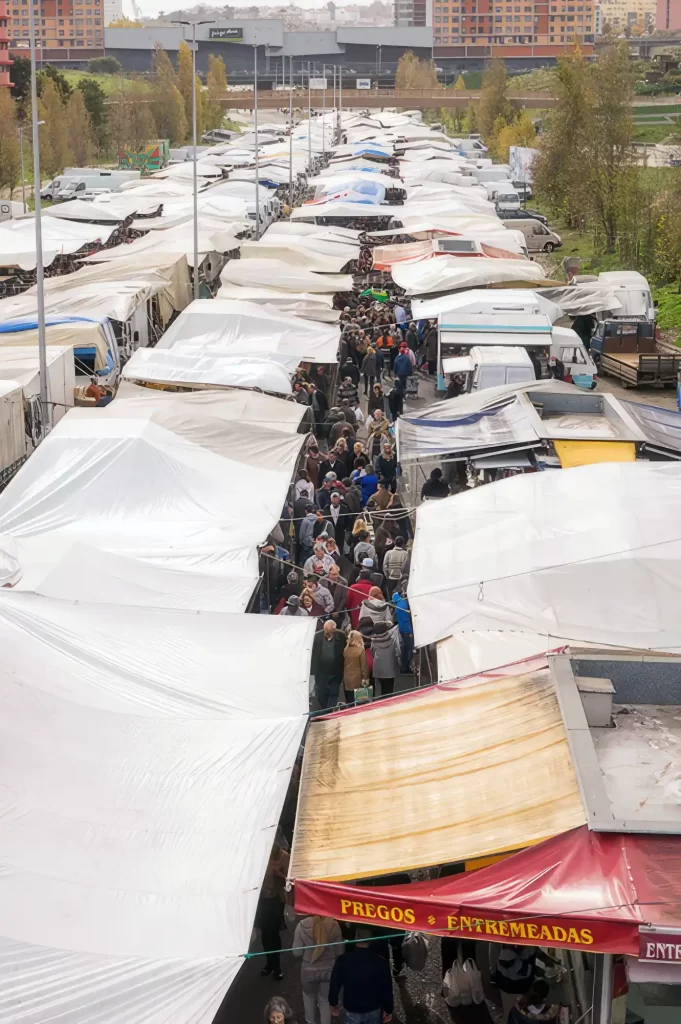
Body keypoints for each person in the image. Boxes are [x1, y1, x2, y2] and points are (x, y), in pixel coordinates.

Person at [328, 926, 393, 1024]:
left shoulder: (343, 960)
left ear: (355, 938)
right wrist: (388, 1010)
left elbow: (335, 984)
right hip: (374, 1008)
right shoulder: (380, 962)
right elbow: (387, 988)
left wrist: (333, 1004)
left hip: (351, 1008)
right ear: (370, 940)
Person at [293, 915, 344, 1024]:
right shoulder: (334, 925)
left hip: (308, 969)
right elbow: (340, 952)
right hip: (328, 969)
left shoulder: (301, 925)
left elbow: (296, 952)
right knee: (325, 1000)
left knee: (309, 997)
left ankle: (310, 1021)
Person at [256, 843, 290, 980]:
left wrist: (279, 875)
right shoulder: (258, 855)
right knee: (265, 933)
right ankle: (269, 962)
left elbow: (289, 881)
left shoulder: (283, 857)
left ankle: (277, 966)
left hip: (276, 900)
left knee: (274, 934)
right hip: (261, 900)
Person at [310, 619, 347, 709]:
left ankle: (330, 710)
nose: (327, 633)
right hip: (321, 672)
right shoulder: (317, 636)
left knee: (334, 692)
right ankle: (325, 709)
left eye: (330, 631)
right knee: (322, 692)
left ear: (334, 630)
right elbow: (313, 653)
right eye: (326, 631)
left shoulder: (341, 636)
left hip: (336, 670)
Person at [370, 621, 401, 698]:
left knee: (382, 687)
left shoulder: (374, 642)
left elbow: (372, 653)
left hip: (379, 669)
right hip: (391, 668)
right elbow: (397, 652)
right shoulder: (392, 640)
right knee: (389, 689)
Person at [391, 582, 413, 673]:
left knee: (404, 648)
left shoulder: (399, 605)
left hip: (402, 630)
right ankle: (406, 667)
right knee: (408, 649)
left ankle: (404, 666)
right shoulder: (403, 604)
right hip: (408, 630)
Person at [342, 630, 369, 704]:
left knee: (349, 699)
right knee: (359, 700)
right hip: (357, 678)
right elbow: (364, 666)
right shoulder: (360, 650)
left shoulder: (345, 650)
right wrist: (365, 678)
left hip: (347, 677)